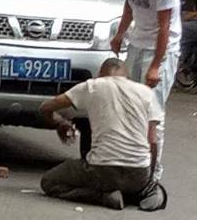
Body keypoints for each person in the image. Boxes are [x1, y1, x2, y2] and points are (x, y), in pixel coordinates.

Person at [39, 58, 166, 211]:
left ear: (100, 74)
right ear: (127, 76)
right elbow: (153, 141)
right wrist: (148, 180)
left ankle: (103, 197)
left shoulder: (92, 86)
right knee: (138, 184)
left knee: (49, 182)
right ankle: (143, 192)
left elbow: (45, 108)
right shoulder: (146, 92)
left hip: (102, 170)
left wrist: (60, 123)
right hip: (139, 172)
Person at [109, 0, 181, 182]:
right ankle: (131, 164)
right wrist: (120, 33)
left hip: (161, 49)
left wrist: (155, 66)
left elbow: (165, 27)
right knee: (131, 106)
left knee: (153, 113)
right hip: (137, 43)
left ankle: (152, 174)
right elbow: (130, 5)